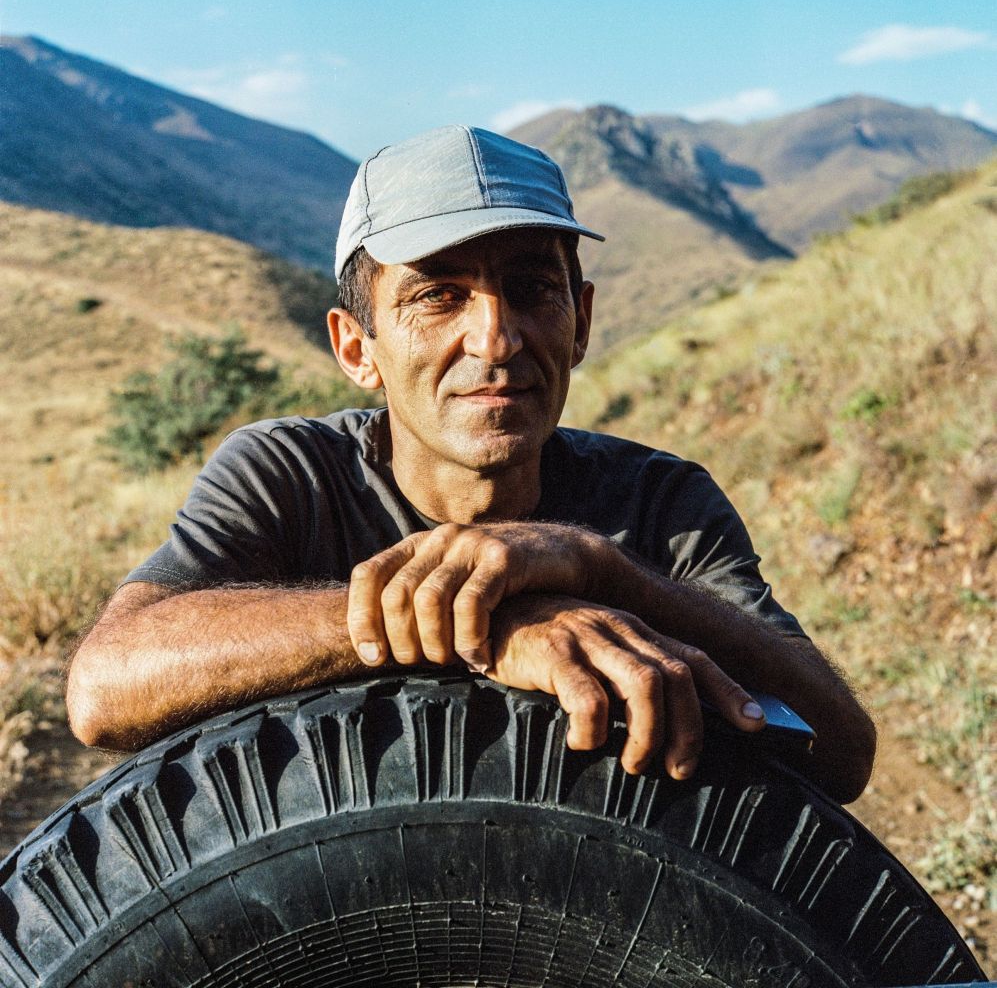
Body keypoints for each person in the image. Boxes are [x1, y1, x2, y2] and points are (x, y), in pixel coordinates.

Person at [67, 125, 875, 802]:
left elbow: (840, 756)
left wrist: (601, 571)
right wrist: (484, 623)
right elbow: (106, 690)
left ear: (581, 321)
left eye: (531, 290)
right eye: (437, 295)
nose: (496, 339)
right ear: (357, 347)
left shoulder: (659, 501)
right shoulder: (290, 474)